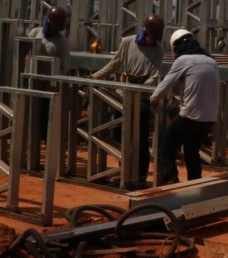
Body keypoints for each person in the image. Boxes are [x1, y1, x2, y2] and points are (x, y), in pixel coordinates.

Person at [91, 14, 166, 189]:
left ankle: (139, 176)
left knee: (139, 139)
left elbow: (154, 76)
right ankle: (124, 169)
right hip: (122, 94)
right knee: (119, 134)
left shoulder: (158, 50)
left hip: (141, 98)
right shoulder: (127, 42)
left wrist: (139, 88)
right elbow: (115, 63)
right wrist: (95, 76)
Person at [150, 28, 220, 185]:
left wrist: (154, 99)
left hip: (190, 116)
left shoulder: (183, 60)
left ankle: (171, 183)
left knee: (166, 149)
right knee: (191, 150)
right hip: (209, 118)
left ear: (176, 46)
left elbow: (166, 84)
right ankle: (194, 184)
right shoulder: (211, 61)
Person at [28, 6, 69, 75]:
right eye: (48, 19)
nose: (48, 22)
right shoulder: (34, 32)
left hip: (48, 81)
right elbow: (26, 55)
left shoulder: (62, 43)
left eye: (52, 21)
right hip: (31, 76)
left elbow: (63, 69)